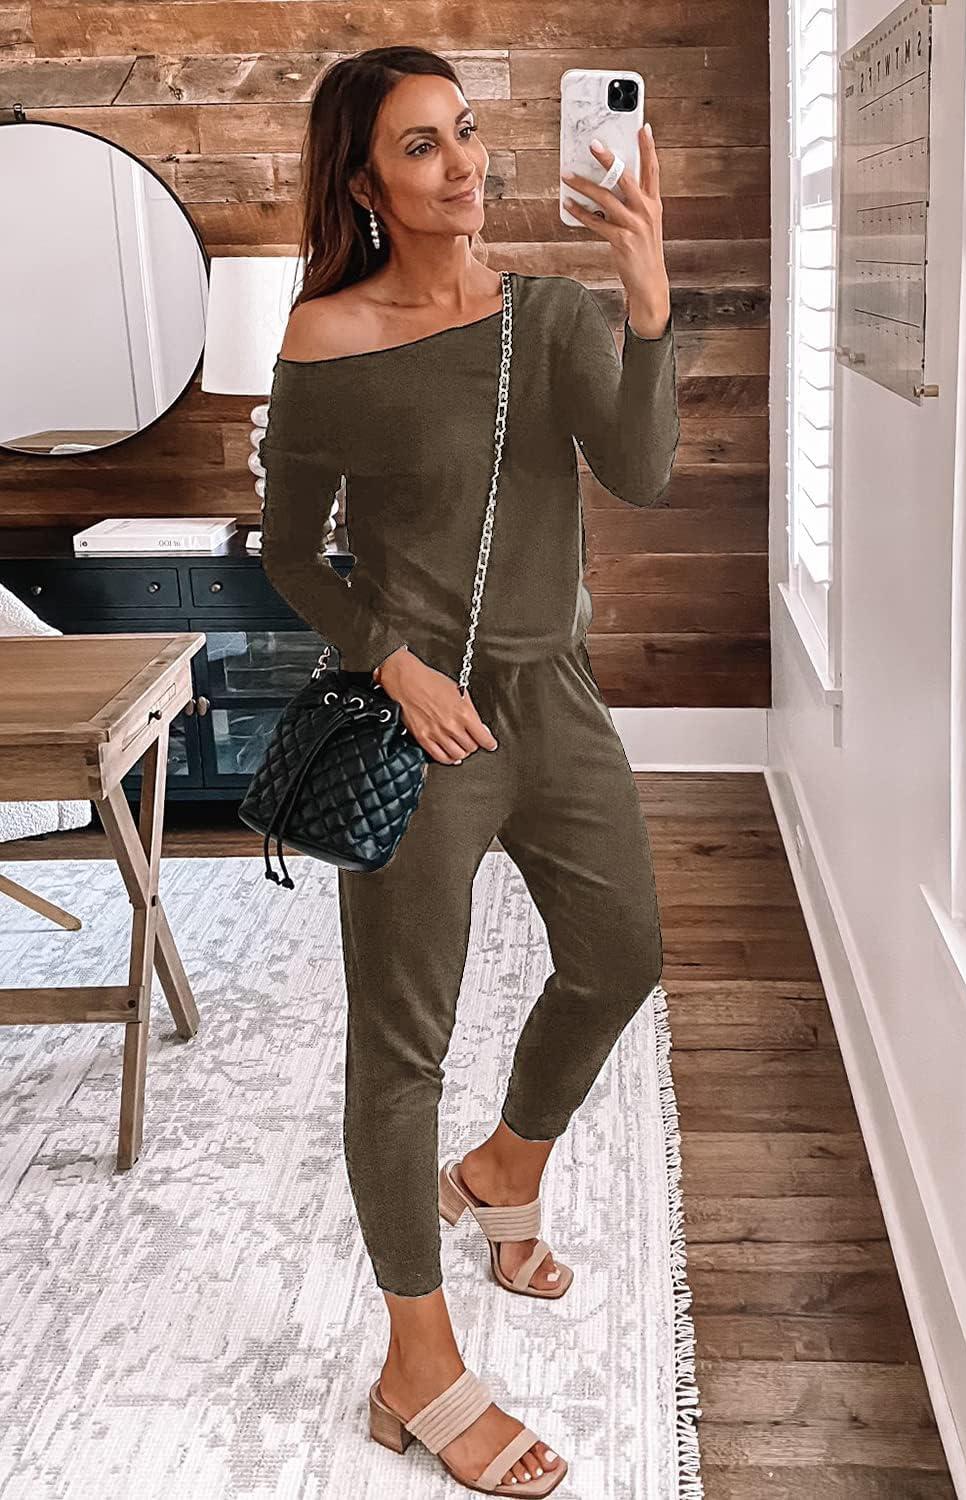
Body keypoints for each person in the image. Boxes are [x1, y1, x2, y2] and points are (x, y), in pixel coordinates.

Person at [258, 44, 679, 1498]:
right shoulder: (327, 338)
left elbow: (643, 471)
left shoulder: (550, 315)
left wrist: (646, 301)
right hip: (421, 722)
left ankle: (507, 1167)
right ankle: (416, 1365)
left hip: (554, 697)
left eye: (467, 132)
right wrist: (392, 659)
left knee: (621, 954)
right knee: (402, 1046)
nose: (464, 165)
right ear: (365, 184)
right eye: (422, 146)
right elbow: (287, 553)